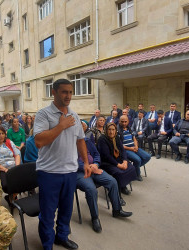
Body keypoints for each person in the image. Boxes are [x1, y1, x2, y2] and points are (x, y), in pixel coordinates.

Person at [34, 79, 91, 250]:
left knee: (66, 210)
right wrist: (61, 126)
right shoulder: (43, 114)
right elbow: (38, 141)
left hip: (70, 171)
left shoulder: (74, 115)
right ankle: (47, 244)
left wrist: (86, 162)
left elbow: (80, 140)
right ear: (54, 92)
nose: (68, 96)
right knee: (48, 213)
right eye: (64, 92)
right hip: (49, 172)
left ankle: (62, 237)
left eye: (70, 92)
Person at [76, 122, 132, 233]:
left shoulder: (87, 141)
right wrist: (88, 167)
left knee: (112, 181)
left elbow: (97, 154)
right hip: (80, 172)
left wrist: (96, 164)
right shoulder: (69, 144)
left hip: (95, 168)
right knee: (91, 189)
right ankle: (95, 218)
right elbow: (70, 162)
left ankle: (117, 210)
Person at [97, 122, 137, 197]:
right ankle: (117, 195)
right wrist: (119, 165)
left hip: (118, 160)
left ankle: (122, 186)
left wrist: (125, 161)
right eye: (109, 129)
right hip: (107, 163)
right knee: (118, 173)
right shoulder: (102, 139)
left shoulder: (116, 137)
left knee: (130, 168)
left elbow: (122, 150)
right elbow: (106, 156)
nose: (111, 132)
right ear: (106, 130)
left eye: (113, 129)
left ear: (116, 130)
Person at [118, 115, 151, 181]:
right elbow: (120, 146)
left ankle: (134, 169)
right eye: (122, 122)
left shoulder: (129, 129)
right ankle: (137, 174)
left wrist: (136, 146)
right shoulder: (117, 131)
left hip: (134, 147)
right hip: (126, 150)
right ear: (119, 122)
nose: (124, 123)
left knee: (147, 156)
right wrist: (131, 149)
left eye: (125, 121)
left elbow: (134, 139)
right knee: (138, 160)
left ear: (128, 121)